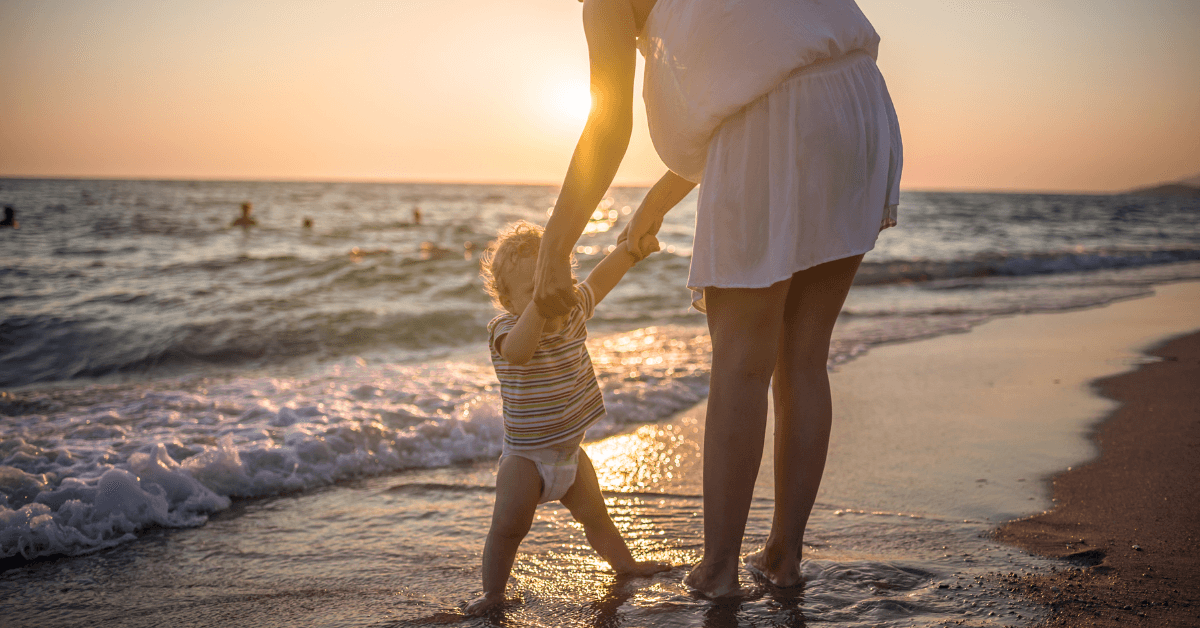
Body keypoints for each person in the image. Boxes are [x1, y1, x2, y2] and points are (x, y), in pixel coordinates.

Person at [532, 0, 902, 597]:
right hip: (858, 103)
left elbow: (611, 122)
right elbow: (763, 67)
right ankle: (783, 555)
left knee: (741, 361)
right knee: (803, 357)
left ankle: (720, 570)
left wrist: (556, 247)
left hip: (781, 116)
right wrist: (657, 199)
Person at [466, 220, 669, 615]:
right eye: (535, 290)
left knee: (597, 518)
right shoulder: (505, 329)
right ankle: (493, 592)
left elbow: (602, 279)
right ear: (509, 301)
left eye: (557, 281)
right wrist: (540, 308)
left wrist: (628, 250)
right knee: (509, 531)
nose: (552, 294)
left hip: (571, 453)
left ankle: (625, 565)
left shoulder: (574, 309)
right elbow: (519, 353)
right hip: (526, 459)